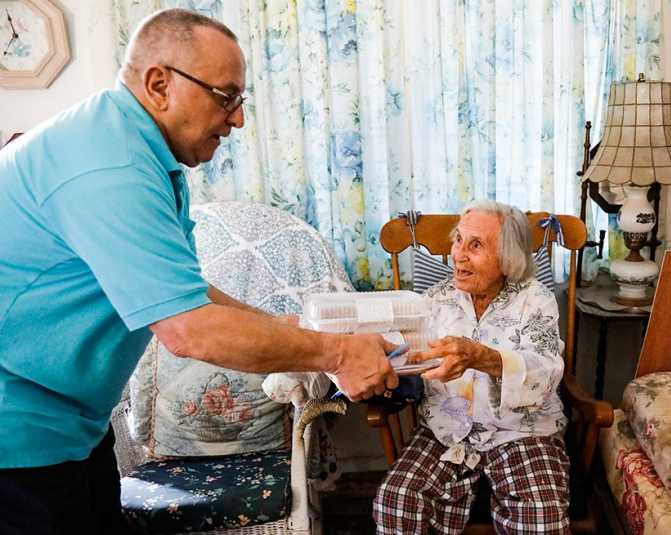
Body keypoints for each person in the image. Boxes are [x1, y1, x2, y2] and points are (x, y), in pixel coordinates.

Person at [0, 9, 397, 535]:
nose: (237, 120)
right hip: (18, 428)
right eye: (226, 96)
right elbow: (189, 329)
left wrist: (300, 331)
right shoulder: (110, 166)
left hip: (70, 423)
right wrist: (340, 352)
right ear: (159, 84)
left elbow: (184, 293)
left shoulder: (137, 148)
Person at [373, 200, 570, 534]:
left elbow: (545, 371)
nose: (458, 255)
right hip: (446, 430)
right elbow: (402, 354)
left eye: (475, 245)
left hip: (521, 429)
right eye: (458, 240)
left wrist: (480, 356)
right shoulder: (434, 301)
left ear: (508, 258)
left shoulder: (535, 299)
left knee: (541, 512)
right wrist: (379, 358)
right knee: (396, 499)